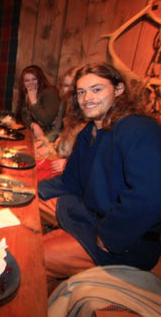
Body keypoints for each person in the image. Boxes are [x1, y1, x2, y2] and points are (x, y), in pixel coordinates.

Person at [38, 63, 161, 288]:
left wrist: (109, 236)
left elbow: (152, 195)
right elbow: (70, 181)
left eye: (97, 89)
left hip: (125, 239)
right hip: (86, 212)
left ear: (119, 90)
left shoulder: (138, 129)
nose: (87, 98)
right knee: (26, 203)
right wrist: (30, 189)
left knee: (35, 256)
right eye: (81, 92)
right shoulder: (89, 132)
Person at [15, 65, 61, 141]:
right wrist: (32, 124)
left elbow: (47, 121)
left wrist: (33, 102)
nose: (31, 83)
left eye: (34, 79)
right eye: (27, 80)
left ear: (40, 80)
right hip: (34, 135)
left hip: (51, 137)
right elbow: (24, 115)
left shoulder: (50, 92)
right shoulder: (26, 93)